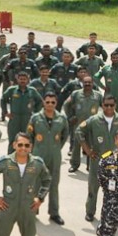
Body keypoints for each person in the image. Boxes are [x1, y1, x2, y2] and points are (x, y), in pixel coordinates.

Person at [76, 96, 118, 221]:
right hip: (97, 160)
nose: (109, 108)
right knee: (93, 187)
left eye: (111, 105)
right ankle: (90, 211)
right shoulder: (94, 120)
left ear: (115, 105)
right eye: (106, 105)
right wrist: (87, 150)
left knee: (114, 190)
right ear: (102, 105)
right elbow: (79, 131)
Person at [27, 92, 69, 225]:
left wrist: (56, 148)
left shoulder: (61, 118)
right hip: (39, 155)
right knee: (36, 184)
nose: (50, 104)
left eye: (53, 102)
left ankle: (54, 212)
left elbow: (65, 135)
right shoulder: (35, 118)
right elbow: (29, 136)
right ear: (43, 103)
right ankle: (33, 210)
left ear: (56, 103)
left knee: (54, 184)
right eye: (47, 102)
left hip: (55, 156)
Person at [63, 76, 103, 173]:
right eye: (85, 82)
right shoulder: (76, 94)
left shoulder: (98, 95)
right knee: (76, 146)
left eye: (89, 82)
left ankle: (91, 166)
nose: (87, 84)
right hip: (79, 125)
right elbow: (66, 104)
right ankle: (74, 165)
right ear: (82, 83)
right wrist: (70, 116)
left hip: (92, 126)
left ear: (93, 83)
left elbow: (105, 107)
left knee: (91, 146)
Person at [1, 71, 43, 153]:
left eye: (24, 79)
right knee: (13, 141)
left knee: (28, 140)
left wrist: (36, 114)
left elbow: (40, 101)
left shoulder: (32, 91)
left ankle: (27, 161)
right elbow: (3, 99)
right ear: (17, 79)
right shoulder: (12, 90)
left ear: (28, 80)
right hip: (14, 119)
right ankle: (11, 160)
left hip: (27, 119)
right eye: (21, 79)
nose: (23, 81)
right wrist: (5, 112)